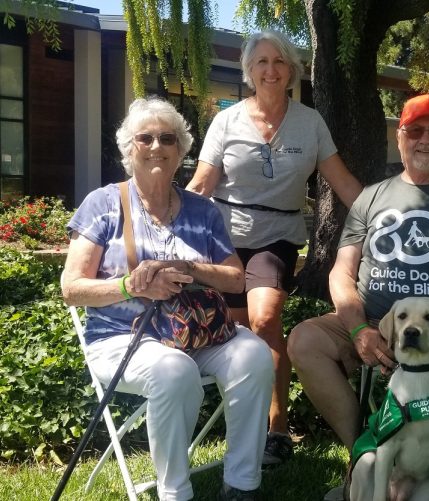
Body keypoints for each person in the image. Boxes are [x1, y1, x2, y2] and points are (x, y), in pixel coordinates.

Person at [62, 97, 274, 501]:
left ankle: (242, 484)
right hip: (123, 337)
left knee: (255, 356)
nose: (157, 146)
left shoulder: (202, 210)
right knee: (173, 372)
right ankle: (175, 492)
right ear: (129, 149)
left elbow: (234, 279)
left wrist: (189, 267)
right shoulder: (105, 204)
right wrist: (131, 286)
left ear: (181, 151)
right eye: (146, 138)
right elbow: (71, 289)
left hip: (197, 332)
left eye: (167, 138)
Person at [288, 94, 429, 463]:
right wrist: (359, 330)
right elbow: (342, 272)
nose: (426, 139)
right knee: (304, 340)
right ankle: (367, 454)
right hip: (373, 321)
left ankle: (424, 465)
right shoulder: (370, 199)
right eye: (415, 130)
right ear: (400, 137)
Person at [186, 30, 362, 465]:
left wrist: (385, 216)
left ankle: (278, 426)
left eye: (279, 62)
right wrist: (167, 220)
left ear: (291, 71)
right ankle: (245, 420)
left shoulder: (310, 122)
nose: (270, 70)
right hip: (224, 239)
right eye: (261, 62)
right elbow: (203, 183)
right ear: (249, 72)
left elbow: (342, 183)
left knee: (265, 319)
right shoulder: (226, 122)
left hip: (277, 236)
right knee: (237, 332)